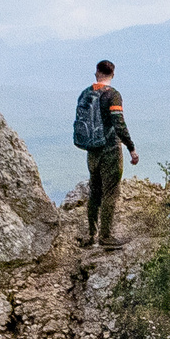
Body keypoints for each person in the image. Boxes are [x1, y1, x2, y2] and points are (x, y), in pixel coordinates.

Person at [74, 58, 137, 248]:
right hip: (110, 149)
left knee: (94, 193)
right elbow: (118, 123)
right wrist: (131, 147)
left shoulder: (85, 94)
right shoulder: (113, 95)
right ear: (113, 74)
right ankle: (106, 237)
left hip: (91, 151)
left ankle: (92, 235)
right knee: (110, 193)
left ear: (97, 73)